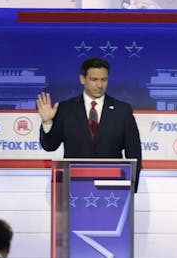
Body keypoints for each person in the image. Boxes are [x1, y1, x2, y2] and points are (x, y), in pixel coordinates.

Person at [37, 57, 142, 189]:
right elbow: (50, 146)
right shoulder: (65, 109)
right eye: (94, 79)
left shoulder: (122, 110)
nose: (99, 85)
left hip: (113, 187)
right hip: (75, 186)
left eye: (104, 80)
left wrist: (131, 187)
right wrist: (47, 122)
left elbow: (134, 152)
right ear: (82, 79)